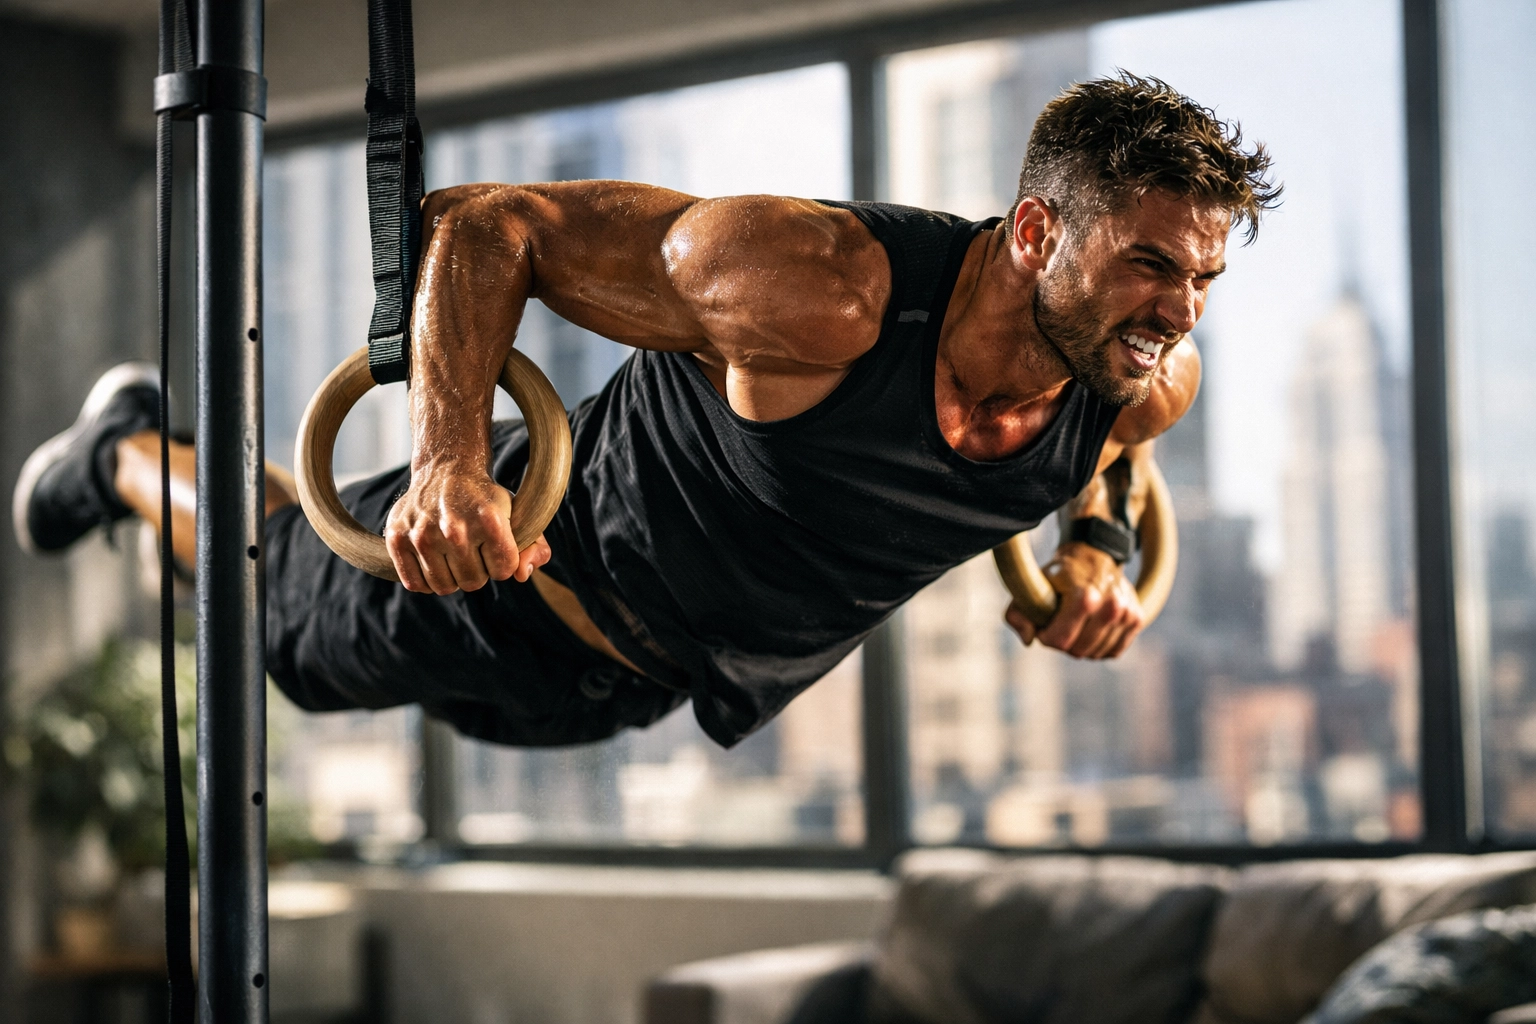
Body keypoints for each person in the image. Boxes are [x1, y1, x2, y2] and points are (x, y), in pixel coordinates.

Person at [12, 73, 1277, 749]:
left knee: (325, 635)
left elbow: (1109, 458)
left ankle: (144, 452)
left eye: (1205, 277)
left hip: (631, 697)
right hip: (509, 574)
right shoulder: (821, 291)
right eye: (1151, 264)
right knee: (278, 618)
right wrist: (448, 463)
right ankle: (128, 446)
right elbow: (486, 224)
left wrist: (1100, 551)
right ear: (1039, 230)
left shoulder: (1146, 381)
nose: (1180, 308)